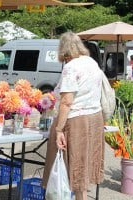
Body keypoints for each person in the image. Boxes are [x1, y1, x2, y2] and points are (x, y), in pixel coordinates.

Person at [42, 32, 104, 200]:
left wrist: (59, 129)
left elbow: (67, 102)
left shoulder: (71, 67)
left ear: (63, 49)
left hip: (77, 120)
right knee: (82, 171)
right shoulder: (91, 62)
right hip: (95, 118)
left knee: (74, 168)